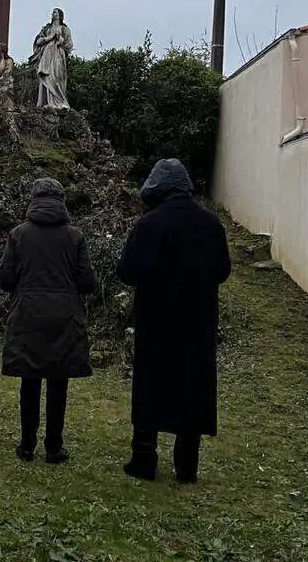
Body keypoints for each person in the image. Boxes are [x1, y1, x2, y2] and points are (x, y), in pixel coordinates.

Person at [116, 158, 232, 483]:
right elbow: (223, 270)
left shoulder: (149, 225)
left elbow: (128, 271)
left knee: (150, 387)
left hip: (157, 322)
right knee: (193, 389)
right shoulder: (211, 224)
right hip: (198, 324)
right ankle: (186, 467)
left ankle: (143, 460)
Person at [0, 177, 96, 464]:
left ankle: (27, 445)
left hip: (28, 313)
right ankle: (54, 447)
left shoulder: (19, 234)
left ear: (34, 200)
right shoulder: (75, 236)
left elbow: (6, 280)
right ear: (61, 201)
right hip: (64, 315)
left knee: (29, 381)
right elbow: (87, 282)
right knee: (58, 382)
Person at [29, 8, 73, 110]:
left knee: (57, 76)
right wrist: (50, 37)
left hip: (58, 54)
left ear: (60, 15)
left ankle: (59, 101)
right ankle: (46, 101)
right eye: (53, 12)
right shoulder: (46, 29)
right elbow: (38, 41)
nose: (53, 14)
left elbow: (69, 44)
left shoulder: (65, 29)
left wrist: (60, 40)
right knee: (46, 75)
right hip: (47, 55)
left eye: (56, 12)